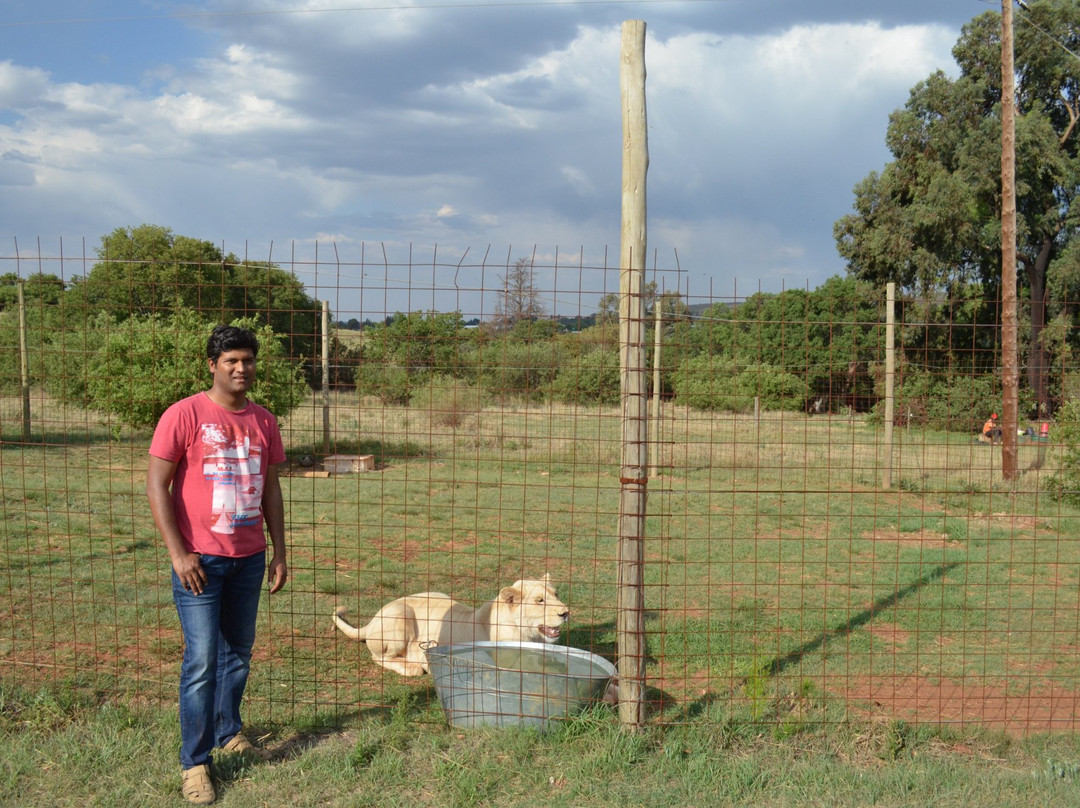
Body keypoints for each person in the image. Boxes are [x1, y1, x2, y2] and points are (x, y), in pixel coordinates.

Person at [146, 324, 287, 805]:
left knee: (239, 653)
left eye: (247, 360)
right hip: (199, 562)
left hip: (248, 559)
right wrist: (178, 553)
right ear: (212, 365)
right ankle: (195, 763)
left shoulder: (265, 421)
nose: (241, 368)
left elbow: (270, 488)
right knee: (202, 661)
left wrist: (279, 551)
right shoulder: (184, 414)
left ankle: (229, 731)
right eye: (231, 361)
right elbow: (155, 486)